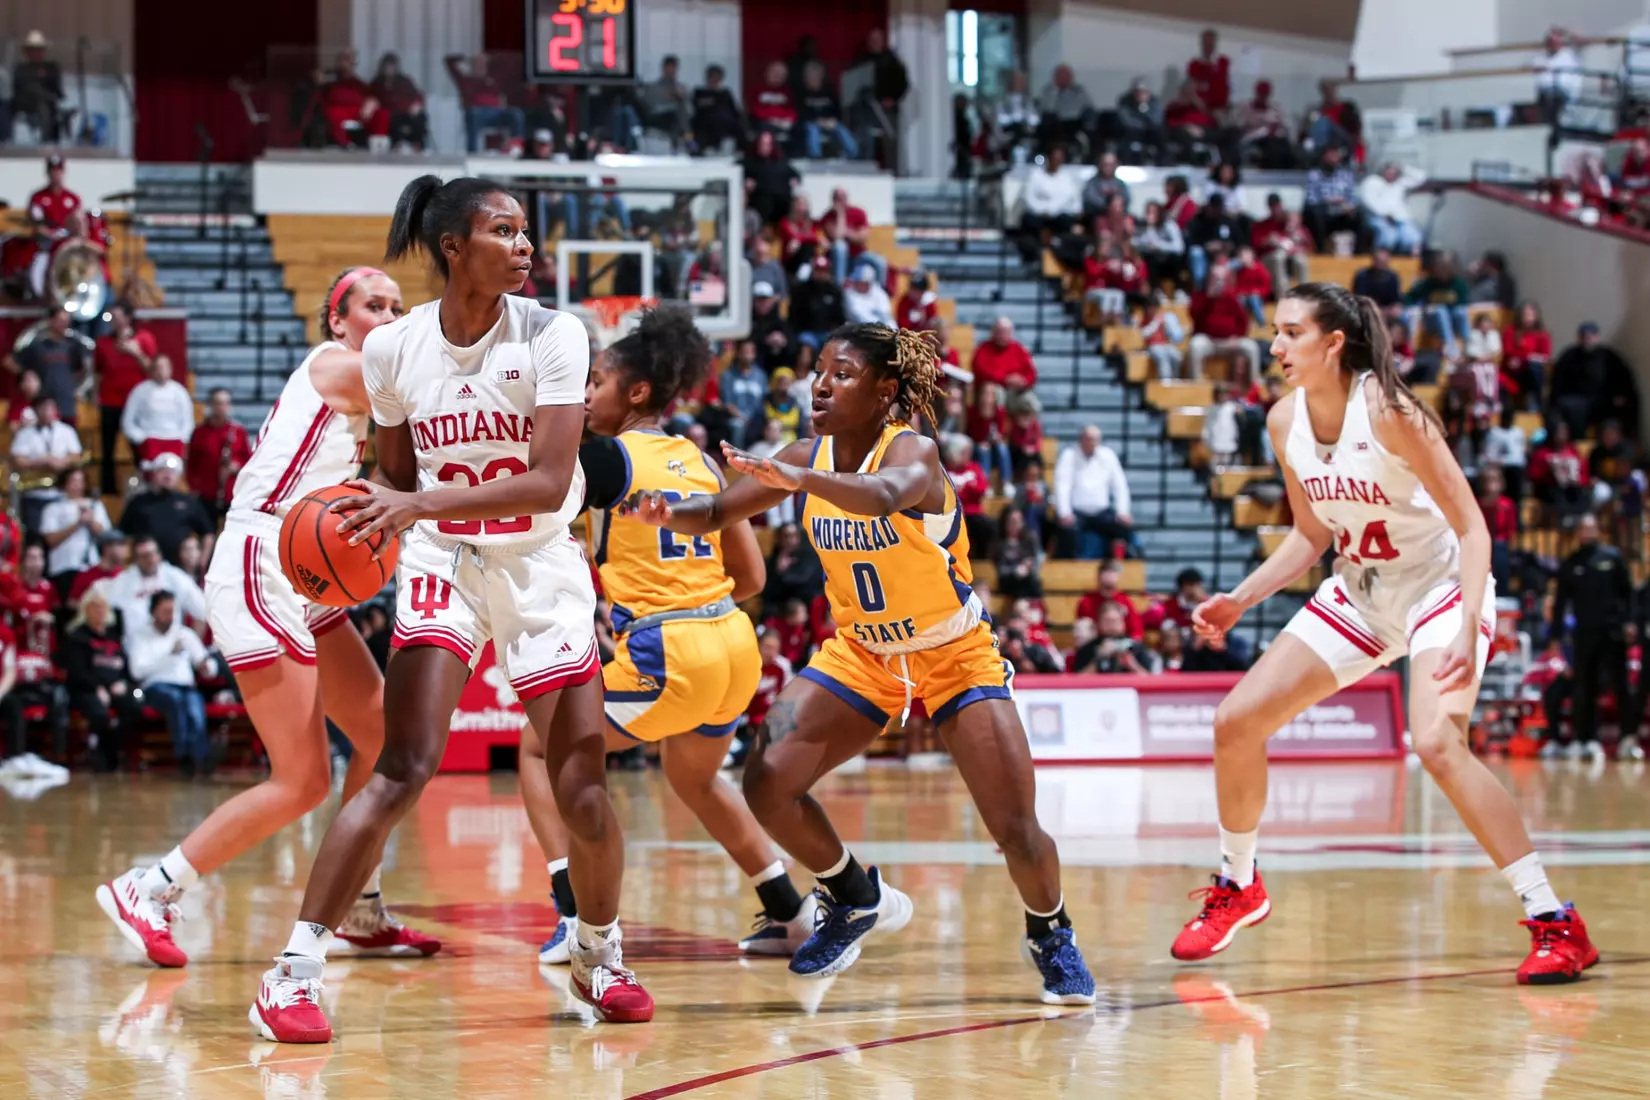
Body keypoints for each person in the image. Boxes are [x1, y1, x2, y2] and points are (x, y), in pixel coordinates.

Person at [251, 176, 647, 1044]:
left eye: (525, 231)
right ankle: (292, 973)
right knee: (403, 765)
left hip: (540, 557)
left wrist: (411, 505)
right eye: (503, 231)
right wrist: (361, 510)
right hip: (447, 560)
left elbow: (549, 479)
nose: (524, 244)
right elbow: (396, 473)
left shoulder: (555, 333)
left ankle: (599, 951)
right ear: (453, 248)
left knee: (581, 785)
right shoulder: (394, 349)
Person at [624, 323, 1096, 1006]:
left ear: (884, 391)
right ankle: (852, 895)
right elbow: (721, 510)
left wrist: (802, 477)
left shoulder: (914, 452)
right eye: (818, 369)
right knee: (767, 780)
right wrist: (666, 511)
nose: (820, 383)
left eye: (840, 373)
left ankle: (1051, 933)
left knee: (1015, 829)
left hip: (952, 652)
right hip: (864, 652)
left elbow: (879, 496)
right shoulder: (803, 454)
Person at [1175, 282, 1596, 985]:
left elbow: (1472, 526)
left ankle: (1556, 921)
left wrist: (1467, 627)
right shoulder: (1284, 421)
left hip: (1440, 586)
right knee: (1235, 723)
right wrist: (1241, 599)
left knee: (1436, 743)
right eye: (1274, 333)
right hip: (1363, 593)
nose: (1274, 347)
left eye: (1289, 333)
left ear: (1332, 343)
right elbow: (1311, 536)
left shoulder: (1393, 412)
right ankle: (1239, 885)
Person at [96, 267, 439, 972]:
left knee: (381, 737)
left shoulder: (365, 380)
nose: (391, 316)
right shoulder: (341, 367)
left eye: (398, 306)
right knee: (304, 779)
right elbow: (428, 386)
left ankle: (357, 909)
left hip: (307, 566)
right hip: (261, 557)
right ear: (336, 322)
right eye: (375, 306)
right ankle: (149, 887)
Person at [531, 305, 816, 968]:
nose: (586, 394)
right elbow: (749, 575)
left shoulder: (605, 459)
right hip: (732, 644)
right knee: (695, 777)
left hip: (669, 651)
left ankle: (575, 912)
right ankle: (790, 913)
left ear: (634, 392)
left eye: (595, 382)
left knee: (536, 751)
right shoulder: (697, 460)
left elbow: (537, 493)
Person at [1554, 513, 1634, 759]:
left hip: (1612, 632)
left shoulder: (1612, 557)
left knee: (1620, 685)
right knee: (1583, 686)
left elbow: (1628, 592)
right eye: (1582, 529)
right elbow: (1560, 603)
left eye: (1591, 528)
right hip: (1585, 634)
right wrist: (1557, 636)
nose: (1586, 533)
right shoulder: (1571, 562)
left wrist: (1629, 622)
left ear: (1598, 530)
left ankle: (1628, 739)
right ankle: (1584, 738)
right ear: (1578, 532)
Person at [62, 590, 141, 773]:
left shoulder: (114, 636)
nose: (99, 611)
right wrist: (97, 687)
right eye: (94, 606)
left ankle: (115, 749)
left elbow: (125, 666)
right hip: (85, 689)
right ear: (85, 609)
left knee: (136, 703)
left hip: (116, 687)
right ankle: (103, 756)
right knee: (100, 714)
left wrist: (122, 682)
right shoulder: (77, 636)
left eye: (103, 606)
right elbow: (76, 672)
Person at [39, 466, 110, 601]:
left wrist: (91, 521)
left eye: (81, 481)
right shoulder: (53, 508)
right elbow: (50, 540)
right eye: (73, 481)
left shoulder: (95, 505)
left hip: (90, 566)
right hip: (63, 566)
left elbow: (106, 537)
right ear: (64, 483)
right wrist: (77, 524)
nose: (77, 485)